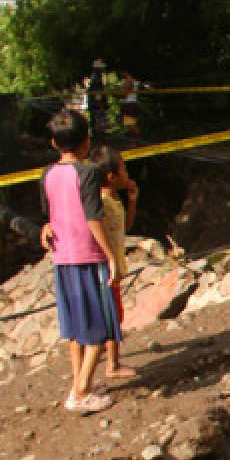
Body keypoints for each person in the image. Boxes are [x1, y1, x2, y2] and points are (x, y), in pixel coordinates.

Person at [38, 110, 121, 414]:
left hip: (62, 259)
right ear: (86, 143)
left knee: (75, 328)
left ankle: (79, 380)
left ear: (53, 142)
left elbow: (51, 214)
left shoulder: (48, 174)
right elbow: (93, 218)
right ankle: (81, 391)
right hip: (88, 256)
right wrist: (110, 255)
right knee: (99, 325)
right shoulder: (86, 174)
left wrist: (46, 229)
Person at [89, 145, 138, 380]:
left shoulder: (114, 200)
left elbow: (125, 228)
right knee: (112, 315)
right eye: (124, 169)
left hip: (114, 266)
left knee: (114, 314)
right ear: (111, 176)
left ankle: (109, 359)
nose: (127, 173)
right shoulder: (100, 205)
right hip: (107, 268)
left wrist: (133, 202)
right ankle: (112, 364)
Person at [119, 71, 141, 138]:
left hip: (129, 104)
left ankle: (137, 139)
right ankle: (135, 140)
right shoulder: (136, 81)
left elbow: (124, 94)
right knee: (131, 124)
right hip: (133, 103)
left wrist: (115, 94)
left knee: (130, 125)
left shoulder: (128, 81)